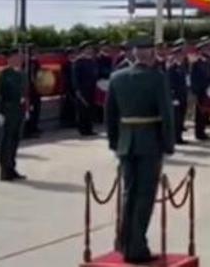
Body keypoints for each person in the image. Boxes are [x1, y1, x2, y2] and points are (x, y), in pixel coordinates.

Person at [106, 36, 175, 264]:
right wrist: (168, 144)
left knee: (129, 194)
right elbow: (166, 114)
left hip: (126, 142)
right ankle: (137, 246)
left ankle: (124, 242)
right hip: (149, 141)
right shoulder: (157, 78)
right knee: (144, 196)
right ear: (150, 54)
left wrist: (115, 143)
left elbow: (110, 116)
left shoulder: (117, 77)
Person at [0, 47, 27, 181]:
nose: (20, 59)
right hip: (7, 111)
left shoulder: (23, 74)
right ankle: (4, 172)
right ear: (10, 59)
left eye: (20, 57)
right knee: (5, 142)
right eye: (17, 57)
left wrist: (26, 109)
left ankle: (12, 168)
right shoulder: (4, 74)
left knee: (15, 141)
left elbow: (24, 94)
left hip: (18, 111)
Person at [72, 41, 99, 136]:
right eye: (87, 48)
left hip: (91, 88)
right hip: (82, 89)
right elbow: (75, 77)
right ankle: (82, 130)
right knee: (82, 110)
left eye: (90, 48)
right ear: (82, 50)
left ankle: (89, 129)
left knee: (90, 109)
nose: (90, 50)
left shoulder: (91, 60)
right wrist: (77, 90)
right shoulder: (78, 61)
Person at [167, 45, 189, 145]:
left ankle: (179, 136)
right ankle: (175, 138)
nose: (181, 57)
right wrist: (173, 97)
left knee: (181, 117)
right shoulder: (172, 68)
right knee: (176, 118)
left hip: (183, 95)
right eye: (179, 55)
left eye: (182, 55)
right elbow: (169, 84)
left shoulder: (183, 67)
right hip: (176, 96)